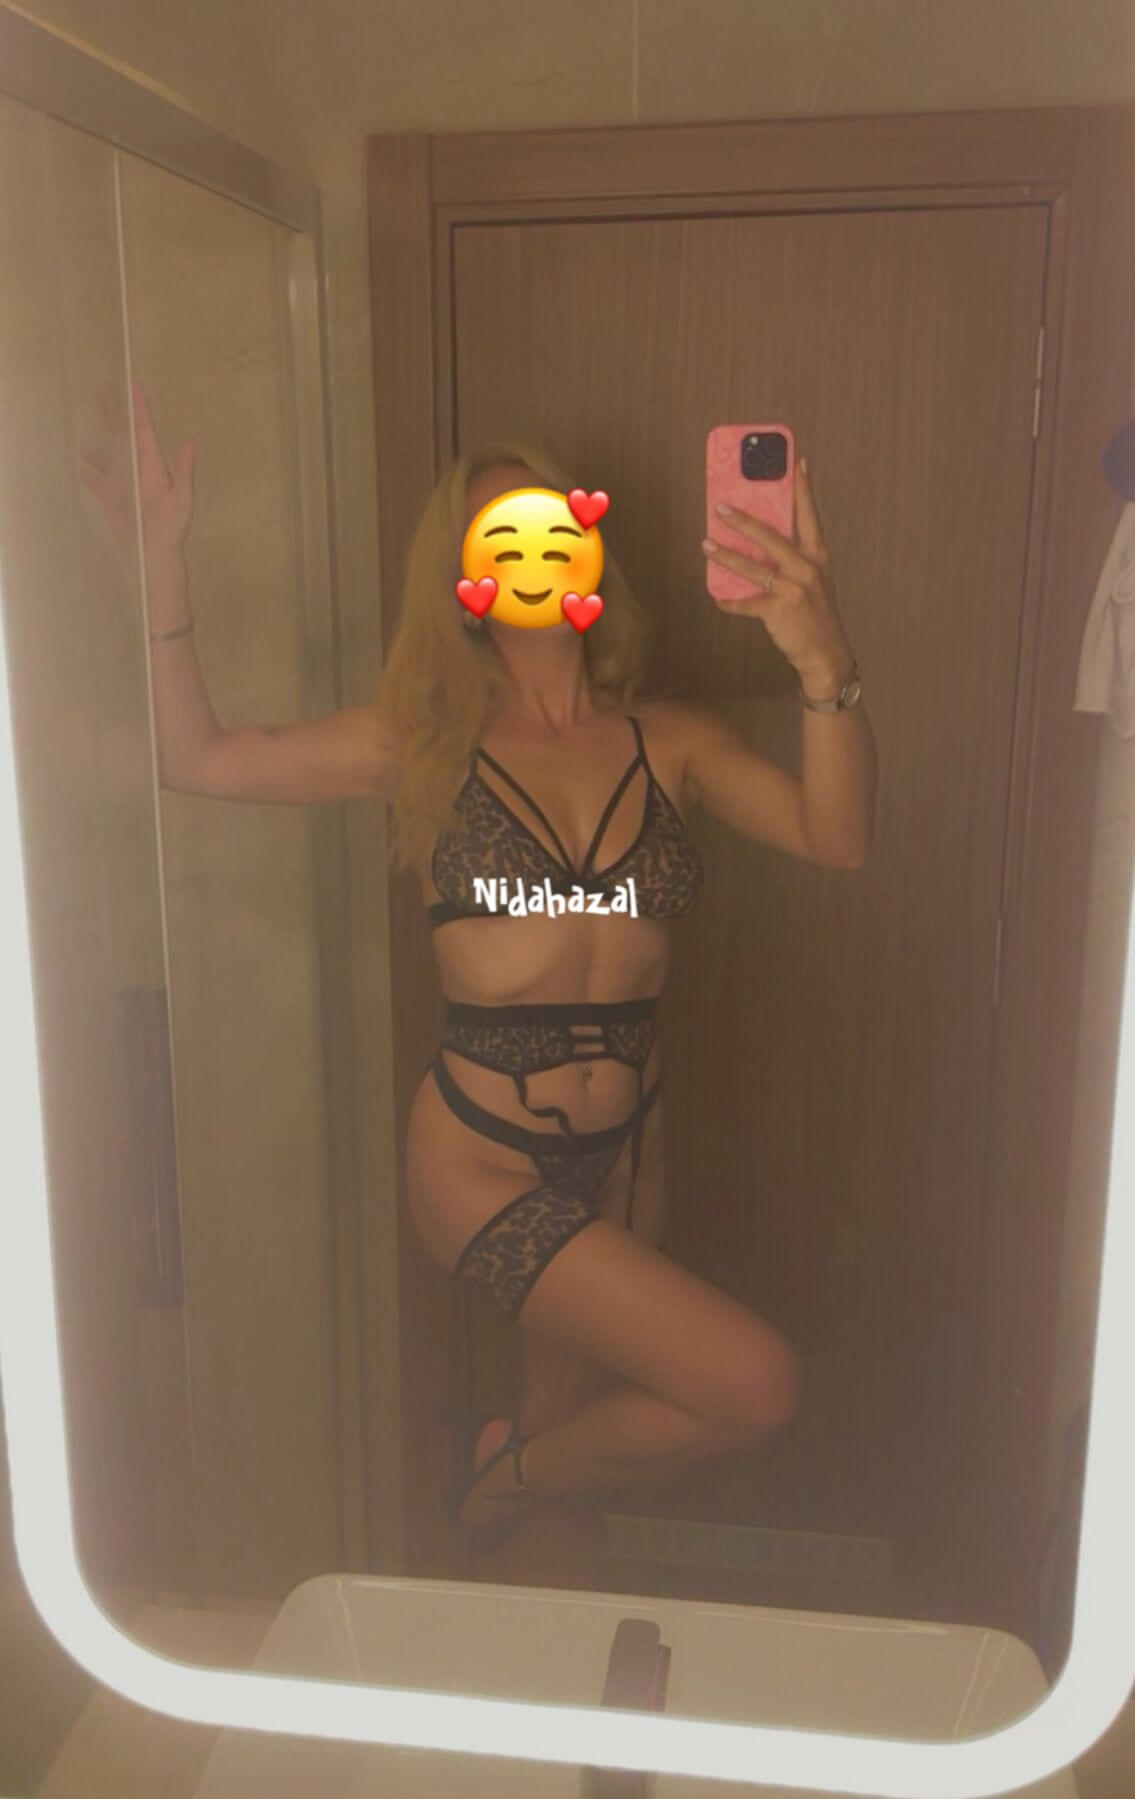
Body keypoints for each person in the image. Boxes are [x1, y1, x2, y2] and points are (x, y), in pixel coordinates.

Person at [81, 382, 877, 1545]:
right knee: (752, 1383)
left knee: (568, 1447)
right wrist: (159, 570)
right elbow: (197, 758)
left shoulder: (674, 738)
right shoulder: (419, 744)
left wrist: (822, 660)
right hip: (482, 1155)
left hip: (628, 1147)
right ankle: (494, 1485)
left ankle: (512, 1501)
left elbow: (836, 836)